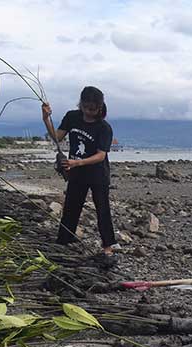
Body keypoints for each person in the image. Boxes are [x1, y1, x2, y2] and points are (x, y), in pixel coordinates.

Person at [41, 86, 117, 254]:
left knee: (102, 208)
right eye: (85, 108)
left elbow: (101, 156)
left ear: (100, 107)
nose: (89, 112)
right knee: (71, 207)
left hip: (98, 174)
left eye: (93, 109)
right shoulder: (72, 117)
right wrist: (46, 119)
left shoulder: (104, 128)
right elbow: (57, 137)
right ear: (80, 104)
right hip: (76, 171)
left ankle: (108, 246)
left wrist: (77, 163)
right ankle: (64, 240)